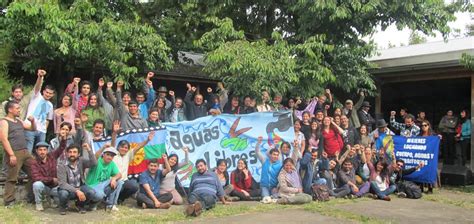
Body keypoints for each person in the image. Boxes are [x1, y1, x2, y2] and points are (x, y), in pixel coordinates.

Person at [96, 121, 154, 203]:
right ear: (118, 147)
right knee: (115, 186)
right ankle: (107, 199)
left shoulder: (128, 155)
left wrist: (147, 140)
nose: (124, 149)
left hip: (124, 181)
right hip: (112, 181)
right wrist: (114, 133)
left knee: (134, 186)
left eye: (126, 148)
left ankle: (120, 199)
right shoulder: (114, 154)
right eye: (122, 147)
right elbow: (113, 143)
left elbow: (138, 147)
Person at [0, 101, 36, 207]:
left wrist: (33, 121)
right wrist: (11, 155)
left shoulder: (18, 121)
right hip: (14, 152)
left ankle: (29, 197)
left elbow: (32, 128)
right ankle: (9, 201)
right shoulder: (4, 122)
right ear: (10, 110)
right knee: (12, 177)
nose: (19, 110)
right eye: (17, 108)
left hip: (25, 151)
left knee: (35, 171)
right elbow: (3, 139)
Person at [57, 144, 100, 215]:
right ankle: (63, 206)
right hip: (67, 189)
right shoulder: (61, 164)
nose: (72, 154)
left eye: (74, 152)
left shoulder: (81, 160)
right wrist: (76, 191)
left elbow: (94, 163)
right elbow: (62, 183)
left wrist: (89, 150)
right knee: (63, 193)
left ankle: (80, 205)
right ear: (67, 153)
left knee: (91, 192)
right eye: (70, 152)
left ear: (78, 154)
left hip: (80, 186)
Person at [24, 69, 54, 153]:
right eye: (47, 92)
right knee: (28, 150)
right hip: (30, 127)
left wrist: (45, 129)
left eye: (50, 93)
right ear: (43, 91)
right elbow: (37, 87)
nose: (48, 94)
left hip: (42, 131)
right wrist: (40, 77)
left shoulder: (50, 105)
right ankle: (27, 166)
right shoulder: (37, 96)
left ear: (53, 95)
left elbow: (48, 119)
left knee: (41, 152)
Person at [86, 146, 124, 211]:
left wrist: (114, 179)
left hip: (103, 186)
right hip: (92, 186)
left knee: (119, 182)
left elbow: (119, 175)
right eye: (108, 154)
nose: (109, 157)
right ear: (103, 154)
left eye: (112, 156)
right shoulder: (97, 161)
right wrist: (103, 147)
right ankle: (92, 205)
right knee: (99, 195)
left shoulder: (112, 164)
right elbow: (95, 156)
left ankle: (111, 205)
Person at [30, 141, 65, 211]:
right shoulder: (34, 163)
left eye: (44, 150)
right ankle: (39, 203)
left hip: (55, 186)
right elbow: (36, 177)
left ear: (47, 151)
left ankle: (52, 199)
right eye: (40, 150)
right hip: (44, 187)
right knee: (37, 184)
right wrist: (51, 179)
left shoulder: (52, 156)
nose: (42, 152)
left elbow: (61, 148)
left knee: (64, 192)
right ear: (36, 151)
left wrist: (63, 139)